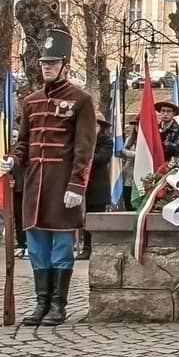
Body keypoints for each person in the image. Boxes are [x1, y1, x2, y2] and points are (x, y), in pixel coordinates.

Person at [6, 27, 96, 326]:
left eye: (52, 63)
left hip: (62, 186)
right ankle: (41, 302)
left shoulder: (81, 100)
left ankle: (58, 304)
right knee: (36, 248)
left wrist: (76, 185)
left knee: (60, 248)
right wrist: (13, 160)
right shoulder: (31, 101)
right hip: (34, 186)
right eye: (44, 63)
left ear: (65, 66)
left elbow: (85, 147)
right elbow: (24, 142)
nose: (46, 67)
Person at [78, 111, 113, 261]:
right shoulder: (82, 141)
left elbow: (101, 158)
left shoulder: (106, 142)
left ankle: (95, 247)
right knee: (85, 219)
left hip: (98, 185)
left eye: (96, 124)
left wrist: (86, 156)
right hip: (82, 185)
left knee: (95, 218)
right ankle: (86, 248)